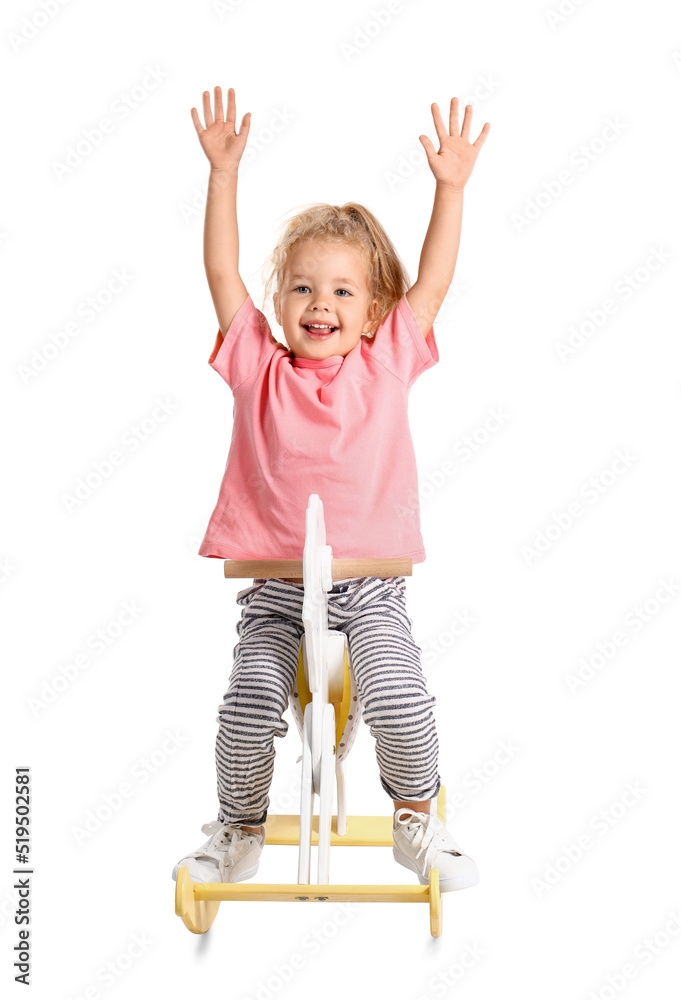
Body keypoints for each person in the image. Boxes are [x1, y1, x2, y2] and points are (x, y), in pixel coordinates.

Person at [173, 86, 490, 892]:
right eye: (303, 288)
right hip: (275, 593)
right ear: (278, 303)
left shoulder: (386, 363)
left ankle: (417, 816)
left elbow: (435, 283)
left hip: (369, 591)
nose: (321, 303)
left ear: (373, 309)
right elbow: (219, 268)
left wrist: (449, 189)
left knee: (398, 696)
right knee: (246, 708)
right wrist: (222, 175)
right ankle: (237, 829)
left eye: (343, 291)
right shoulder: (255, 366)